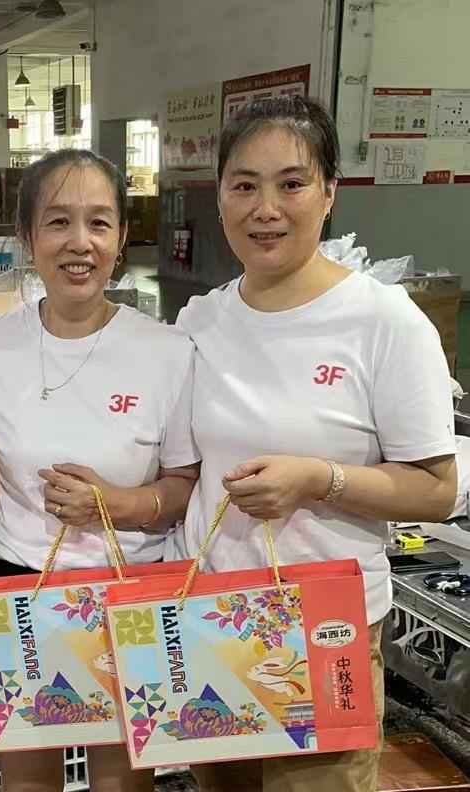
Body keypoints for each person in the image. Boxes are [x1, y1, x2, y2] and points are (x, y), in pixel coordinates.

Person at [169, 96, 457, 792]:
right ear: (220, 198)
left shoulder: (383, 322)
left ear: (329, 192)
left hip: (325, 625)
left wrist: (318, 480)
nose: (265, 208)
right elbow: (177, 468)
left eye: (291, 183)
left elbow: (436, 489)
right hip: (214, 612)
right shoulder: (200, 320)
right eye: (244, 185)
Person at [0, 149, 200, 791]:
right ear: (27, 237)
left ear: (121, 238)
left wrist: (119, 505)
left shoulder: (167, 351)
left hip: (130, 587)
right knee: (27, 782)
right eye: (57, 222)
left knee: (123, 782)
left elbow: (185, 485)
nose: (80, 242)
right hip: (19, 585)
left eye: (99, 223)